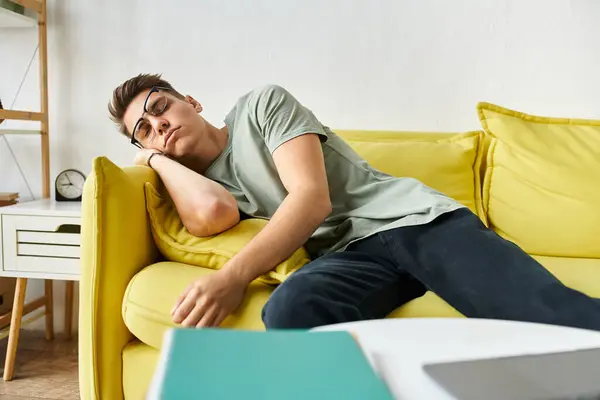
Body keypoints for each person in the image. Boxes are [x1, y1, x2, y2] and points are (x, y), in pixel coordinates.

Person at [108, 73, 600, 331]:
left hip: (411, 222)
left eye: (160, 107)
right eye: (145, 131)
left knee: (541, 314)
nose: (160, 125)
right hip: (347, 258)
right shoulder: (197, 185)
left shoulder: (261, 105)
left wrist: (231, 277)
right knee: (290, 311)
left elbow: (311, 200)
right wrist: (156, 161)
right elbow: (212, 215)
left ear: (190, 102)